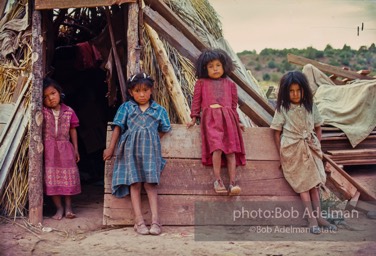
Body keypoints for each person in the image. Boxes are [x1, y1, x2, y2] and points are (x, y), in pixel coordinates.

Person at [103, 73, 171, 235]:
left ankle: (156, 221)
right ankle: (139, 221)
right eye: (137, 91)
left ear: (151, 90)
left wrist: (150, 138)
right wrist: (111, 148)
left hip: (150, 153)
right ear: (131, 92)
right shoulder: (126, 107)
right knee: (135, 184)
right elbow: (118, 127)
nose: (142, 94)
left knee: (150, 184)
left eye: (145, 90)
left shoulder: (159, 110)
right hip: (130, 152)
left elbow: (164, 129)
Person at [270, 71, 337, 234]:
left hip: (310, 149)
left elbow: (318, 127)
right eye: (291, 91)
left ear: (303, 90)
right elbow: (276, 132)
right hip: (292, 151)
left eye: (298, 91)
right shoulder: (283, 108)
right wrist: (281, 154)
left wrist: (317, 147)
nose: (295, 94)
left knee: (314, 185)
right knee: (303, 187)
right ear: (286, 92)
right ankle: (311, 219)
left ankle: (320, 217)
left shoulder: (310, 105)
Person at [186, 48, 246, 196]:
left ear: (224, 66)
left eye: (218, 65)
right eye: (211, 66)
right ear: (205, 68)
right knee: (217, 148)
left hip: (228, 120)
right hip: (211, 120)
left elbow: (233, 105)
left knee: (231, 151)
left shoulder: (230, 84)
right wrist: (193, 118)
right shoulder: (201, 83)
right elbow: (196, 102)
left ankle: (232, 183)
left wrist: (237, 121)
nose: (215, 69)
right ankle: (218, 180)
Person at [42, 77, 81, 220]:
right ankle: (59, 209)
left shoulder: (69, 111)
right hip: (49, 150)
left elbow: (73, 130)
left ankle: (69, 208)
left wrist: (76, 149)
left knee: (67, 178)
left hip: (65, 148)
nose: (50, 98)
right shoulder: (42, 111)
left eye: (53, 93)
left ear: (59, 92)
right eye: (46, 97)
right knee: (52, 179)